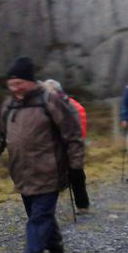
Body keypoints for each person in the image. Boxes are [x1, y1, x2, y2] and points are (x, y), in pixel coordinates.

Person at [0, 57, 85, 253]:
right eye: (12, 83)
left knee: (38, 218)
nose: (15, 87)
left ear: (30, 81)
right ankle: (57, 252)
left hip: (50, 171)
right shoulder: (8, 105)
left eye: (19, 83)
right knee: (39, 217)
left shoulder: (50, 101)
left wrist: (76, 169)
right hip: (22, 173)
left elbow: (72, 136)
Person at [43, 80, 90, 215]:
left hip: (71, 145)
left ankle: (82, 204)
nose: (47, 94)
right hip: (52, 147)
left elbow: (77, 129)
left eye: (49, 91)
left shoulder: (70, 105)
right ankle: (47, 207)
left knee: (76, 174)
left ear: (57, 91)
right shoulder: (45, 105)